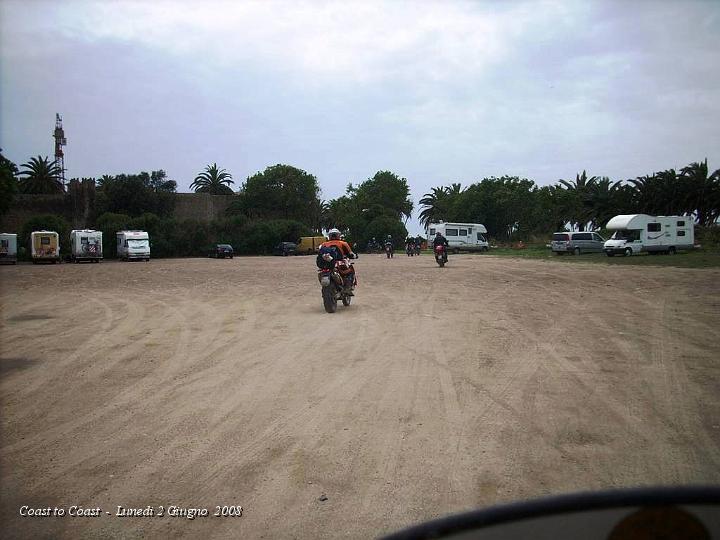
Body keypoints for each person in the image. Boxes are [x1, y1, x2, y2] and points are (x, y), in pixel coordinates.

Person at [319, 228, 357, 293]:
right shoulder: (343, 243)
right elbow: (350, 253)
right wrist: (354, 256)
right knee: (350, 271)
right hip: (339, 263)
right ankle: (348, 287)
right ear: (338, 235)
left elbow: (320, 253)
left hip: (326, 264)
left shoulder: (323, 244)